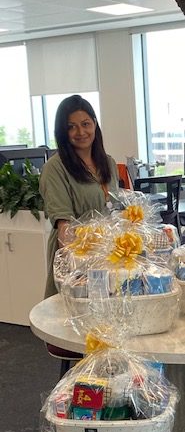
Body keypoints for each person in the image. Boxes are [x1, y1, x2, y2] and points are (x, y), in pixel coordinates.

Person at [40, 94, 119, 298]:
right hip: (77, 256)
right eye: (71, 127)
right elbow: (64, 226)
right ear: (62, 132)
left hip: (108, 255)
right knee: (76, 316)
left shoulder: (108, 162)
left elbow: (116, 209)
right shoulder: (55, 168)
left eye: (85, 124)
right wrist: (75, 274)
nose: (80, 132)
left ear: (94, 124)